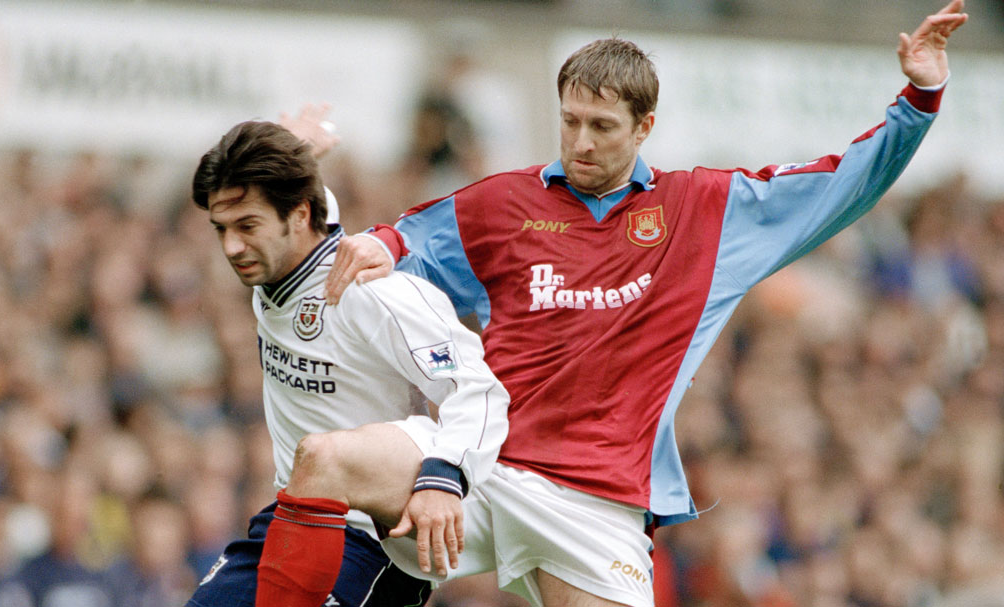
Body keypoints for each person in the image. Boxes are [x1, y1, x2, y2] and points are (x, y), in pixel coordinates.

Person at [321, 2, 969, 606]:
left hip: (596, 502)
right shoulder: (502, 204)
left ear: (644, 126)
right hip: (484, 466)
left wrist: (917, 101)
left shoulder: (706, 212)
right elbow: (412, 240)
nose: (581, 142)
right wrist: (383, 242)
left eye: (602, 127)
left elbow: (839, 185)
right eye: (570, 121)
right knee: (327, 463)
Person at [185, 119, 510, 607]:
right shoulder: (279, 258)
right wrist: (297, 146)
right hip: (288, 519)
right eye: (222, 229)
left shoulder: (374, 292)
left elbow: (478, 390)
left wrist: (445, 477)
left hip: (370, 540)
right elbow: (312, 203)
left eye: (246, 226)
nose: (232, 246)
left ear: (298, 215)